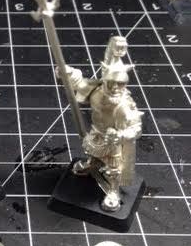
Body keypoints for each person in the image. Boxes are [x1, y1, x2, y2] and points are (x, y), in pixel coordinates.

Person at [59, 36, 143, 211]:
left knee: (114, 168)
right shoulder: (96, 91)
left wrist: (120, 135)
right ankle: (92, 165)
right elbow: (79, 83)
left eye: (121, 84)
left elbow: (136, 128)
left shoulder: (124, 105)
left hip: (113, 139)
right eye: (112, 83)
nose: (116, 88)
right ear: (105, 80)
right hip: (96, 132)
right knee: (92, 151)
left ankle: (113, 191)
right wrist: (67, 73)